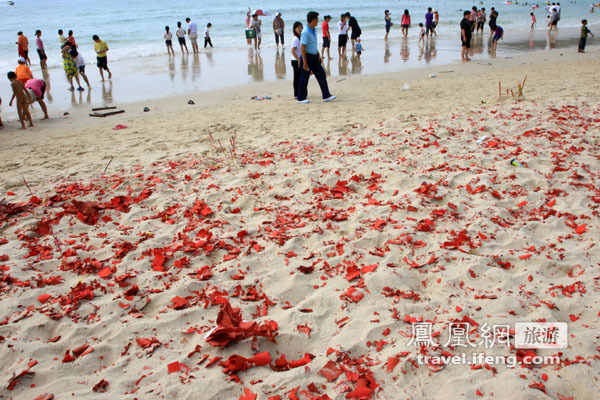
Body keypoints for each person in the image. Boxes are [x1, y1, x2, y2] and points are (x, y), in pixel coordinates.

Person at [297, 11, 336, 104]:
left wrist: (318, 54)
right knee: (304, 77)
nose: (318, 21)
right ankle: (301, 98)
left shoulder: (314, 30)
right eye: (317, 19)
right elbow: (302, 48)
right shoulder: (306, 32)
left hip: (314, 56)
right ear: (313, 20)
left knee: (321, 74)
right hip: (307, 57)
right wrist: (305, 63)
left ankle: (326, 95)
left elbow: (313, 44)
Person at [291, 21, 303, 98]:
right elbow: (292, 51)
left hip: (299, 59)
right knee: (297, 77)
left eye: (301, 27)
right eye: (298, 27)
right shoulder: (295, 39)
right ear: (295, 29)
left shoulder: (300, 38)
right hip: (295, 60)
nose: (299, 29)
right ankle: (296, 94)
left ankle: (299, 92)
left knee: (300, 77)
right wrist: (298, 60)